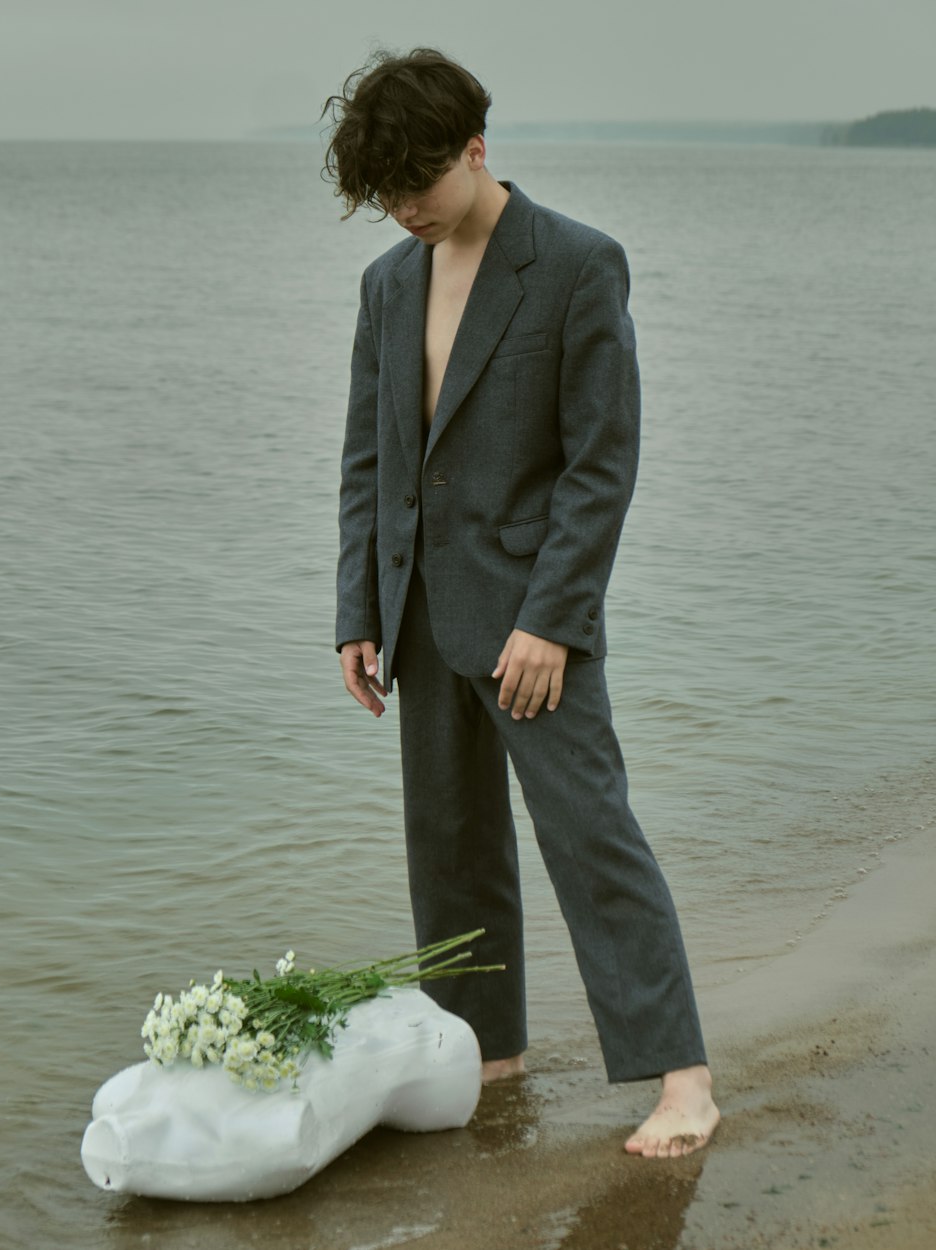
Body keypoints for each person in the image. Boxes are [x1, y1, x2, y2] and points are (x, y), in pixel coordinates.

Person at [321, 48, 720, 1158]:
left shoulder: (579, 265)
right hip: (414, 611)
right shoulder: (386, 282)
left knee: (591, 837)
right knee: (448, 846)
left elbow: (602, 462)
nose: (404, 211)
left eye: (420, 185)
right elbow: (371, 459)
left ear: (477, 148)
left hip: (532, 619)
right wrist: (356, 607)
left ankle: (681, 1079)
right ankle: (485, 1058)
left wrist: (553, 618)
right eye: (385, 195)